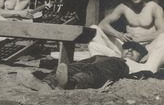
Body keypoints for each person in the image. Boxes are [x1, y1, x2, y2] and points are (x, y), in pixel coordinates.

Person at [18, 39, 164, 91]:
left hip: (118, 66)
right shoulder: (113, 54)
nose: (130, 50)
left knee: (92, 72)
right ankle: (46, 83)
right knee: (75, 66)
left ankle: (69, 84)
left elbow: (160, 46)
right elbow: (94, 44)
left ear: (142, 56)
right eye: (127, 48)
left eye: (136, 50)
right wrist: (114, 52)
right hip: (101, 59)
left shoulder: (139, 66)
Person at [88, 0, 164, 58]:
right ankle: (109, 60)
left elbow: (162, 31)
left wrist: (140, 39)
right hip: (127, 47)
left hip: (147, 47)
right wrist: (119, 35)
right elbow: (102, 24)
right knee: (94, 28)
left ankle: (117, 59)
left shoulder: (153, 7)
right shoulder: (124, 7)